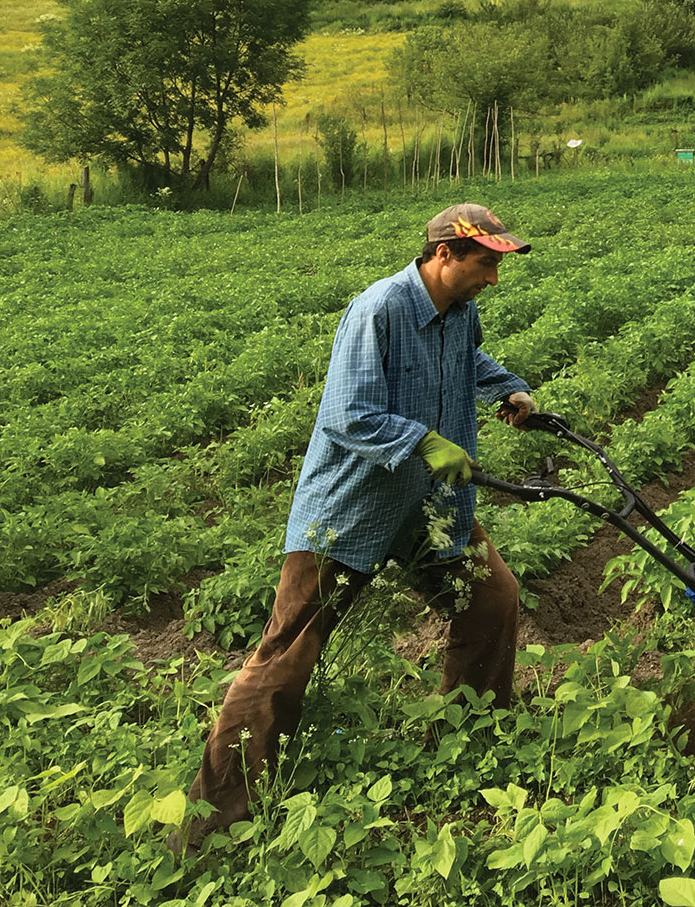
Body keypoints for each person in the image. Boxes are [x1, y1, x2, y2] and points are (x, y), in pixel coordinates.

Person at [180, 203, 539, 852]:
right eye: (486, 262)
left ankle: (472, 743)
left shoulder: (462, 314)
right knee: (288, 655)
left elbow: (470, 365)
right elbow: (347, 414)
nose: (493, 277)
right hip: (351, 510)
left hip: (426, 507)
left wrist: (508, 390)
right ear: (445, 255)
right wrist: (425, 442)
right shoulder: (379, 310)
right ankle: (215, 820)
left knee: (492, 599)